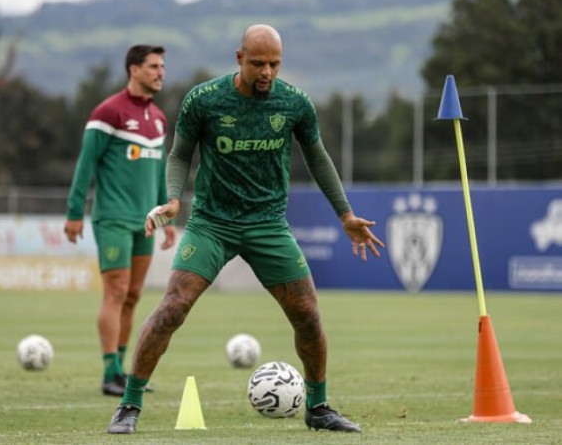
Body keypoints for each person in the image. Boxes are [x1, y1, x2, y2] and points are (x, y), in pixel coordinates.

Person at [107, 24, 384, 434]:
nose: (267, 72)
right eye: (258, 63)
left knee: (307, 313)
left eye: (274, 63)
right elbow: (180, 154)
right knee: (173, 308)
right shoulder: (204, 100)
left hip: (268, 224)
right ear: (239, 59)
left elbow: (319, 158)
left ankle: (319, 406)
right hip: (212, 225)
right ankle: (128, 405)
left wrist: (345, 214)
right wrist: (172, 198)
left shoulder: (294, 104)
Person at [64, 44, 176, 397]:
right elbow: (86, 165)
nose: (161, 72)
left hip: (145, 222)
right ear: (134, 69)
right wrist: (74, 212)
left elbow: (160, 173)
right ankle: (110, 372)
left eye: (162, 66)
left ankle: (123, 371)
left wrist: (166, 215)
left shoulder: (158, 118)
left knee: (132, 296)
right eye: (154, 66)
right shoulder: (107, 112)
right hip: (112, 218)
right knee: (115, 292)